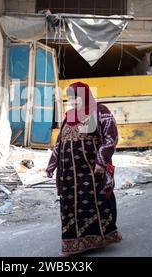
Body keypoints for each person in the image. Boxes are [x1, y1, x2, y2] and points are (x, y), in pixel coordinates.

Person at [46, 82, 122, 256]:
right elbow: (60, 143)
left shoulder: (99, 111)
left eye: (76, 97)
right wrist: (52, 165)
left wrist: (101, 161)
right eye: (70, 98)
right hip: (68, 176)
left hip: (91, 172)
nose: (72, 101)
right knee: (69, 208)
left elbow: (111, 138)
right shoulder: (70, 116)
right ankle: (73, 244)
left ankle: (99, 238)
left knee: (94, 203)